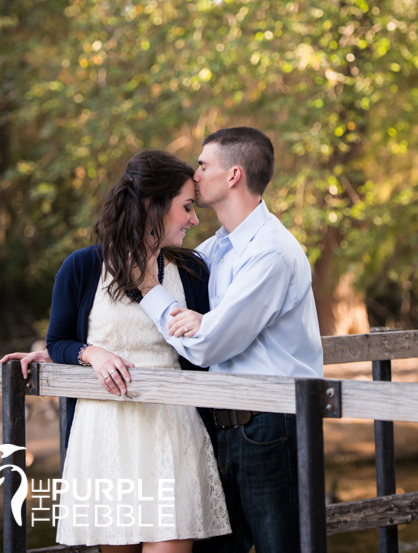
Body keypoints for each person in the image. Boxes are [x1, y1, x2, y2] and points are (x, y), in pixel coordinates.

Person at [4, 150, 231, 552]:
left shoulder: (193, 272)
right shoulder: (82, 267)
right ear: (152, 206)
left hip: (171, 433)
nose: (195, 220)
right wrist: (90, 353)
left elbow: (205, 356)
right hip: (106, 434)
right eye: (187, 207)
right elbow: (59, 341)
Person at [137, 128, 324, 553]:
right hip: (222, 427)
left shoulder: (271, 253)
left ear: (234, 174)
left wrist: (152, 291)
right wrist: (71, 348)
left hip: (272, 424)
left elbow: (208, 346)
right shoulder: (217, 249)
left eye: (203, 165)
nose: (195, 174)